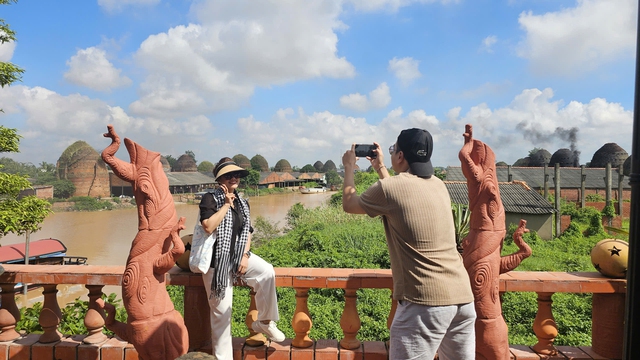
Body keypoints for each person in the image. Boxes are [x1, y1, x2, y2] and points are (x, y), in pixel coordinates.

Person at [341, 129, 476, 360]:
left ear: (401, 156)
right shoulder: (439, 185)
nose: (391, 154)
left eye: (393, 150)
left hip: (424, 303)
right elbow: (399, 198)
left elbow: (350, 204)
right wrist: (381, 168)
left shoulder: (390, 188)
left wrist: (348, 167)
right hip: (462, 300)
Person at [199, 157, 285, 360]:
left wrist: (245, 255)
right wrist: (226, 205)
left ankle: (264, 322)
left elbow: (247, 231)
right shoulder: (210, 198)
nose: (234, 178)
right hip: (216, 264)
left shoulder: (243, 203)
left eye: (236, 174)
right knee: (222, 318)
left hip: (238, 255)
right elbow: (208, 226)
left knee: (266, 271)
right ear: (220, 178)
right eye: (229, 175)